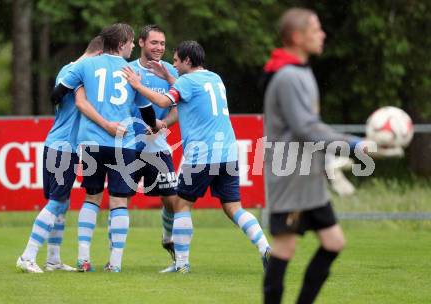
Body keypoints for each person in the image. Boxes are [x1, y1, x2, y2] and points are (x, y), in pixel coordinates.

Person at [122, 40, 271, 273]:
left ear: (187, 61)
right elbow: (189, 92)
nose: (172, 64)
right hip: (228, 152)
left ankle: (181, 264)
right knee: (234, 207)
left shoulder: (186, 81)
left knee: (181, 204)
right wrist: (169, 77)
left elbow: (163, 101)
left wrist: (137, 84)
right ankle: (264, 247)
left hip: (202, 154)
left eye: (175, 60)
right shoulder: (215, 78)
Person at [262, 8, 365, 304]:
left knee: (334, 243)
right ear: (297, 37)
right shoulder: (288, 76)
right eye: (316, 29)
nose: (322, 34)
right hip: (292, 176)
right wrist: (353, 145)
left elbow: (310, 126)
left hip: (310, 177)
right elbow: (305, 128)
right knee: (284, 248)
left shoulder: (301, 70)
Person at [52, 23, 158, 273]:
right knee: (119, 201)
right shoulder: (131, 71)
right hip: (123, 144)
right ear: (121, 44)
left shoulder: (86, 65)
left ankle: (83, 258)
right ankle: (115, 263)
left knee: (91, 197)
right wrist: (153, 125)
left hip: (91, 143)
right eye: (131, 41)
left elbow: (57, 93)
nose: (133, 45)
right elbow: (146, 111)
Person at [16, 36, 104, 273]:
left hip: (60, 145)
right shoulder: (79, 71)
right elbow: (66, 99)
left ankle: (53, 259)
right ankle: (28, 255)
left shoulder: (69, 69)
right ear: (99, 54)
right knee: (56, 202)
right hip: (63, 146)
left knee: (62, 202)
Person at [127, 25, 179, 265]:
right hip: (128, 145)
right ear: (141, 43)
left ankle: (168, 238)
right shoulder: (127, 71)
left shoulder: (169, 71)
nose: (159, 48)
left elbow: (179, 108)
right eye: (154, 43)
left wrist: (162, 124)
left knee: (171, 198)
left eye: (162, 44)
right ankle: (113, 258)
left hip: (157, 146)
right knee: (120, 199)